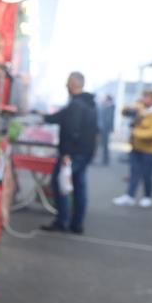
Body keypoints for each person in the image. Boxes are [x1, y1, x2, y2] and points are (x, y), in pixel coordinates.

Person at [41, 71, 97, 234]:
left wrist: (66, 153)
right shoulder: (89, 103)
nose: (65, 85)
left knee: (60, 185)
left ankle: (62, 221)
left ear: (73, 84)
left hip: (73, 153)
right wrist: (44, 117)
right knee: (79, 186)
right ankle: (77, 224)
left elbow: (71, 130)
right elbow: (62, 118)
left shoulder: (76, 105)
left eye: (67, 82)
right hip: (85, 152)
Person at [113, 90, 152, 208]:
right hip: (136, 147)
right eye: (143, 97)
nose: (144, 99)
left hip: (151, 150)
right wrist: (133, 105)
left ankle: (147, 197)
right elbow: (124, 111)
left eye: (147, 97)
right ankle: (129, 196)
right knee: (134, 172)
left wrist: (135, 132)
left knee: (147, 174)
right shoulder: (140, 106)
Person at [96, 94, 115, 165]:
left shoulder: (110, 107)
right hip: (103, 129)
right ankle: (104, 159)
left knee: (105, 145)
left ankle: (105, 160)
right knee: (102, 145)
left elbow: (109, 119)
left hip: (105, 129)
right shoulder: (105, 106)